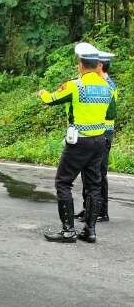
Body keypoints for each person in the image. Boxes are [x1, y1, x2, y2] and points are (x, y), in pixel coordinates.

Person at [39, 43, 115, 243]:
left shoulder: (75, 85)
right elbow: (111, 113)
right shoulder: (107, 87)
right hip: (100, 141)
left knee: (63, 182)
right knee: (94, 186)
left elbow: (50, 99)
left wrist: (42, 93)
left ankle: (68, 231)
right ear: (97, 64)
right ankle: (89, 231)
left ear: (81, 65)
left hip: (79, 141)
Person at [75, 50, 117, 223]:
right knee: (89, 173)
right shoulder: (100, 83)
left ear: (100, 65)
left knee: (98, 173)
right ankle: (89, 208)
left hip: (104, 134)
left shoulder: (108, 86)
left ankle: (101, 211)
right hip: (97, 133)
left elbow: (110, 113)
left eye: (95, 63)